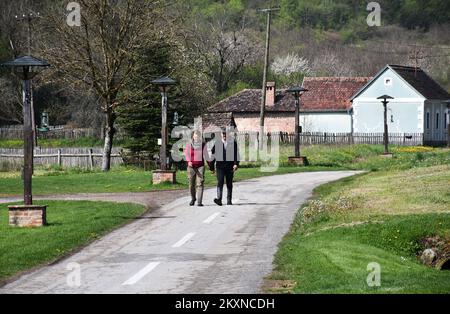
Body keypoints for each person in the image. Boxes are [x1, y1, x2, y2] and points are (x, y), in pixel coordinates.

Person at [208, 131, 240, 206]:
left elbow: (236, 154)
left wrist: (236, 164)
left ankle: (229, 200)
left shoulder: (233, 143)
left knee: (229, 183)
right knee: (220, 182)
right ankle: (219, 199)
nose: (225, 136)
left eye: (226, 134)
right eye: (223, 134)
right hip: (220, 167)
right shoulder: (217, 143)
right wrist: (212, 168)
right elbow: (213, 156)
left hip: (230, 166)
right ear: (221, 135)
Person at [185, 130, 207, 207]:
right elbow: (187, 154)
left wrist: (211, 166)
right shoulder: (189, 144)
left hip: (200, 166)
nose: (196, 137)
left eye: (198, 136)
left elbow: (206, 155)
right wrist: (188, 161)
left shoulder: (203, 144)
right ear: (193, 136)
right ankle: (193, 198)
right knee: (191, 184)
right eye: (195, 135)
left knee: (200, 183)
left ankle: (199, 202)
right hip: (191, 167)